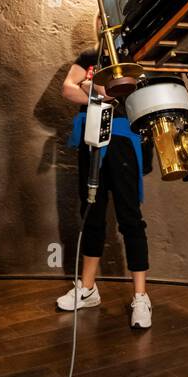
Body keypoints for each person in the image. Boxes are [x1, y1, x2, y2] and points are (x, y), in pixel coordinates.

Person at [57, 49, 152, 328]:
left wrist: (90, 88)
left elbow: (133, 94)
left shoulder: (137, 58)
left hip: (125, 139)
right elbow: (66, 88)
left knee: (130, 218)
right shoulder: (90, 56)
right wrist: (100, 91)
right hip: (91, 137)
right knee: (91, 213)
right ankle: (87, 289)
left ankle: (141, 296)